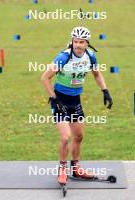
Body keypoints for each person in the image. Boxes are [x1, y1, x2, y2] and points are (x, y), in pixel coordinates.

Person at [41, 26, 113, 184]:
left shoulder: (91, 56)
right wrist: (53, 98)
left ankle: (76, 168)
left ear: (87, 43)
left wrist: (105, 91)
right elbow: (45, 78)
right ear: (72, 41)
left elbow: (96, 73)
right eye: (75, 41)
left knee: (79, 136)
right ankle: (62, 170)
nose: (78, 45)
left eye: (81, 42)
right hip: (60, 100)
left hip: (75, 100)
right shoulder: (64, 57)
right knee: (66, 137)